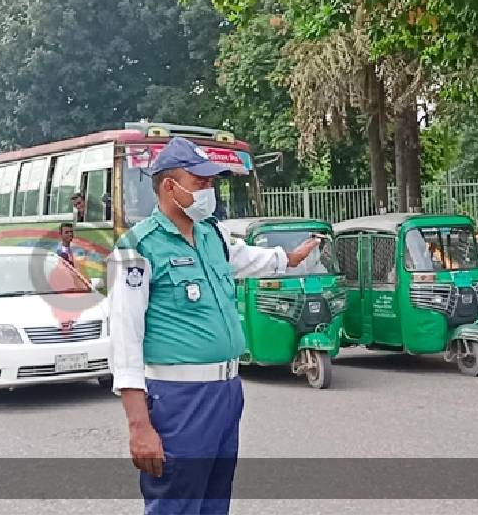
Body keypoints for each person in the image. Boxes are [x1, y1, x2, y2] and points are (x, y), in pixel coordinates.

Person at [106, 136, 320, 515]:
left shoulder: (212, 236)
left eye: (211, 183)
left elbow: (249, 259)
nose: (210, 191)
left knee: (214, 500)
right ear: (170, 186)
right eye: (200, 182)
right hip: (179, 399)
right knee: (178, 503)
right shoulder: (137, 249)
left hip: (225, 393)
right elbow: (125, 340)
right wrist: (139, 425)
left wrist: (289, 258)